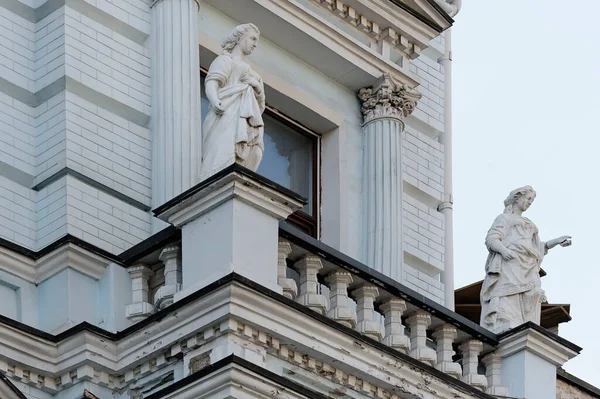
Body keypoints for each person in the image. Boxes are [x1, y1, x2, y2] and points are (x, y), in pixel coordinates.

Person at [480, 186, 571, 334]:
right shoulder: (505, 218)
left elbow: (538, 248)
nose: (529, 203)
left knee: (533, 293)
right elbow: (491, 239)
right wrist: (505, 251)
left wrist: (557, 241)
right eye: (528, 199)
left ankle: (523, 328)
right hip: (510, 265)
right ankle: (505, 323)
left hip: (528, 267)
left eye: (532, 201)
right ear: (517, 197)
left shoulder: (530, 224)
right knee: (507, 298)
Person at [200, 23, 266, 179]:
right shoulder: (225, 60)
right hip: (227, 112)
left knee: (254, 150)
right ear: (239, 38)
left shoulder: (254, 75)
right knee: (224, 147)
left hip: (245, 116)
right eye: (252, 39)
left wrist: (257, 87)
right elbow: (212, 82)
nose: (255, 44)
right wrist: (215, 100)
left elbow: (260, 105)